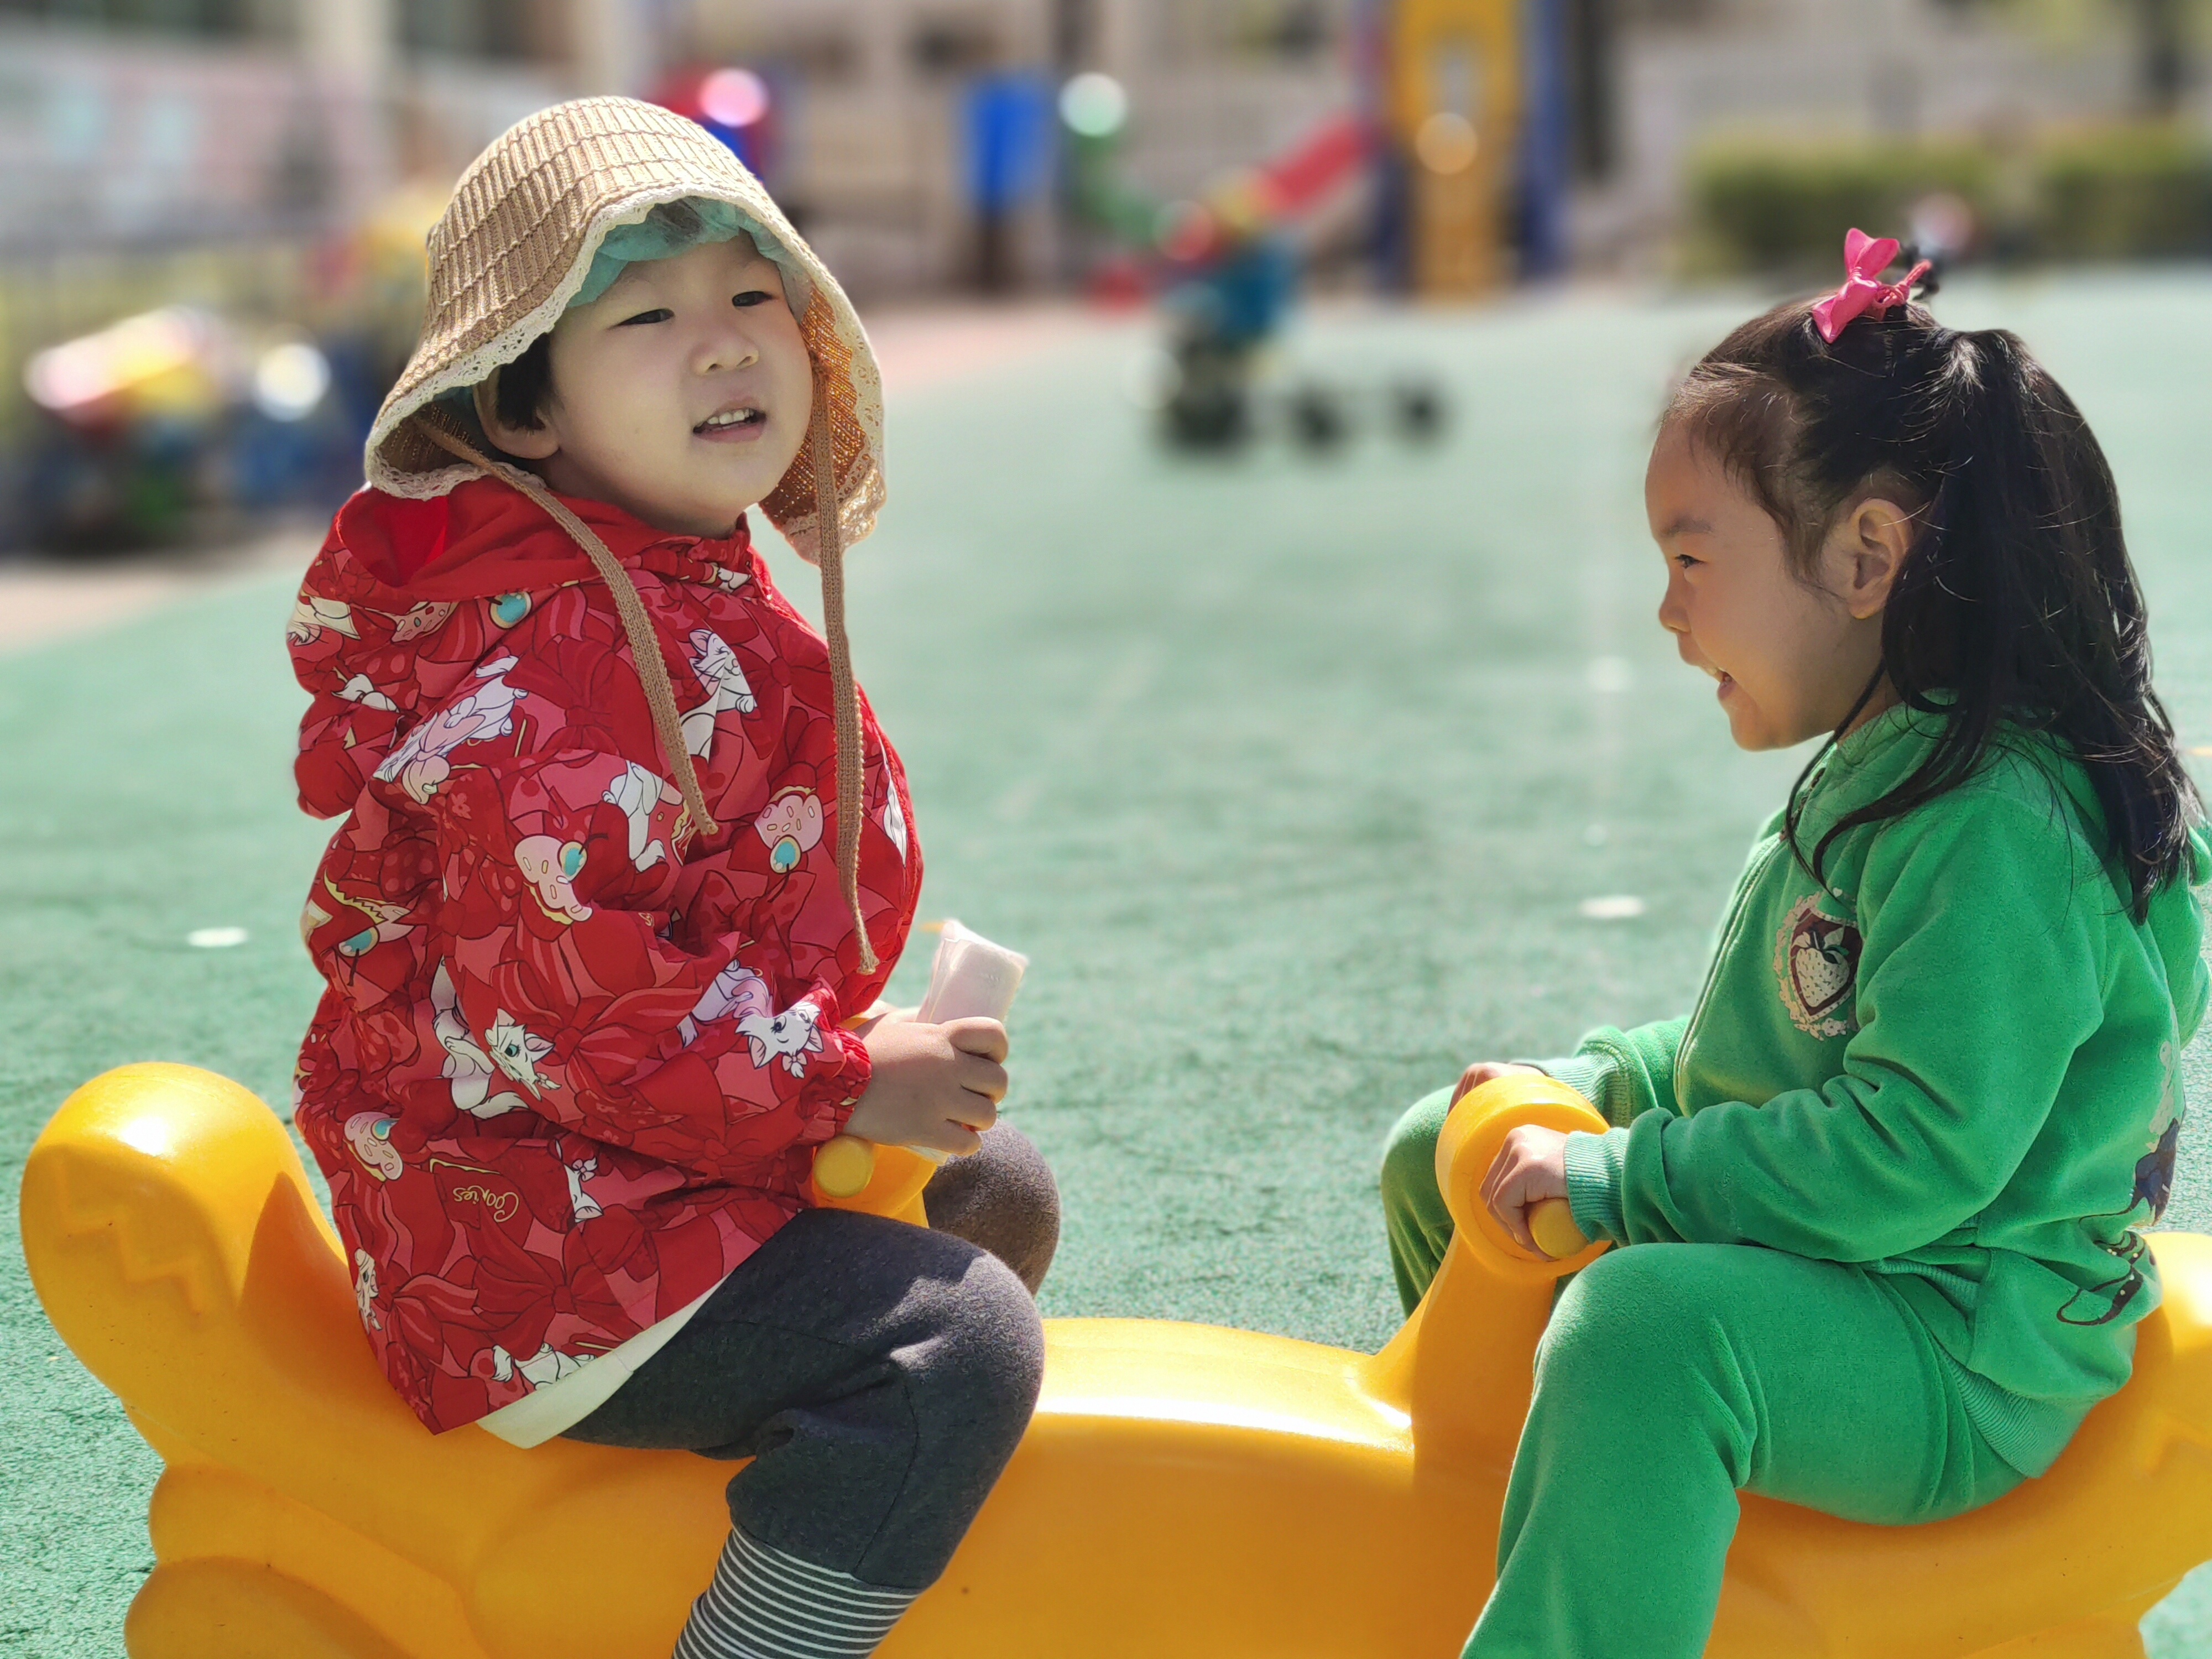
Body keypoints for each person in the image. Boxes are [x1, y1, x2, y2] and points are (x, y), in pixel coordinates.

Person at [288, 98, 1056, 1659]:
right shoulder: (555, 661)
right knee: (957, 1344)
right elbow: (574, 1008)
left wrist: (833, 1049)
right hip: (529, 1249)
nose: (722, 344)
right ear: (523, 409)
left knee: (998, 1191)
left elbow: (689, 920)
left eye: (754, 293)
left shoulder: (668, 584)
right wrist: (840, 1079)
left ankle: (793, 1526)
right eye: (646, 316)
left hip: (635, 1171)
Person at [1377, 232, 2208, 1659]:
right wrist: (1603, 1083)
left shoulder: (1991, 825)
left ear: (1867, 555)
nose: (1668, 608)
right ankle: (1550, 1533)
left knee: (1646, 1326)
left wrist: (1628, 1171)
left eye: (1692, 558)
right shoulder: (1895, 764)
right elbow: (1776, 1042)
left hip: (1958, 1343)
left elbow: (1908, 1153)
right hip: (1865, 1276)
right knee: (1437, 1159)